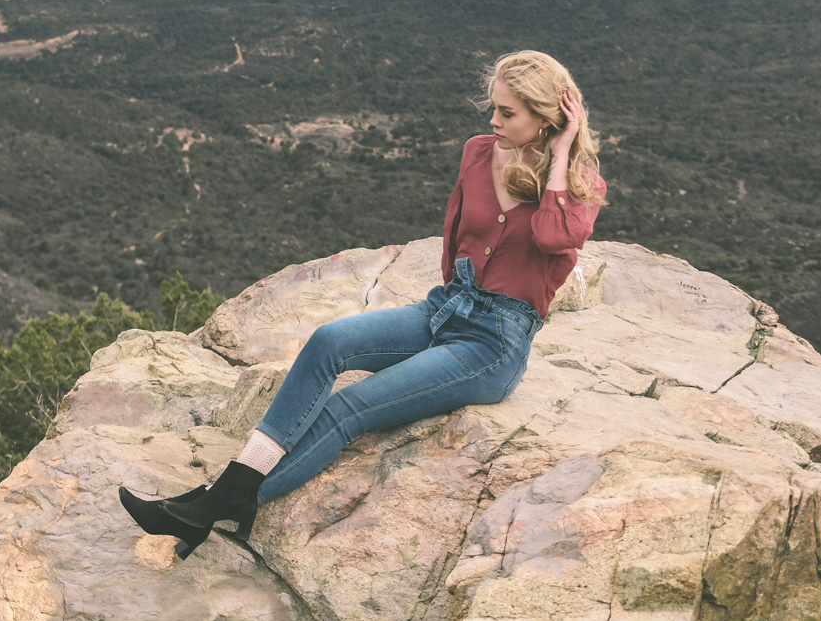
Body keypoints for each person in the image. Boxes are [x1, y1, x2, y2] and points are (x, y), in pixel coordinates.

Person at [120, 49, 606, 558]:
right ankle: (215, 502)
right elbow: (454, 235)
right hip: (445, 308)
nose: (493, 120)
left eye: (507, 113)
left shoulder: (578, 186)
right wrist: (442, 308)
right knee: (329, 341)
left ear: (546, 118)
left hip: (491, 346)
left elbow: (552, 236)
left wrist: (561, 154)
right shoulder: (478, 152)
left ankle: (213, 507)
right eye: (493, 108)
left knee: (351, 407)